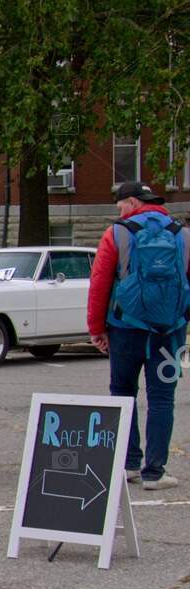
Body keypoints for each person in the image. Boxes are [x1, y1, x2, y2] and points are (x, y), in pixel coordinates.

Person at [88, 179, 190, 491]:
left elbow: (100, 284)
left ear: (132, 203)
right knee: (162, 398)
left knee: (122, 393)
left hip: (125, 328)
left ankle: (129, 463)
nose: (118, 209)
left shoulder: (117, 232)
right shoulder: (183, 234)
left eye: (120, 203)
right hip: (169, 330)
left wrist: (96, 329)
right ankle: (155, 472)